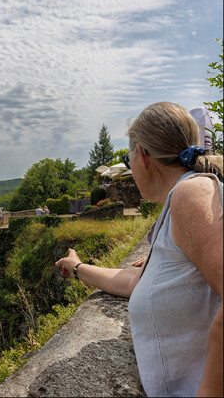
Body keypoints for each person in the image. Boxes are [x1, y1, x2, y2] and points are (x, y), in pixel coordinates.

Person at [55, 102, 223, 397]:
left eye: (127, 155)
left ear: (143, 155)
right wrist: (78, 267)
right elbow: (133, 282)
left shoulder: (190, 194)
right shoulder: (176, 204)